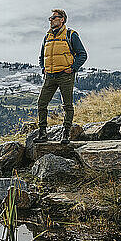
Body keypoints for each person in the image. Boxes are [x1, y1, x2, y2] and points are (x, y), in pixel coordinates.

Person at [34, 9, 87, 144]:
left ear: (62, 19)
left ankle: (66, 133)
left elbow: (82, 54)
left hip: (65, 75)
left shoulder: (71, 35)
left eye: (53, 18)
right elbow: (42, 56)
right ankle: (42, 133)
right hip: (50, 76)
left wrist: (73, 68)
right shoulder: (47, 37)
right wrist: (43, 68)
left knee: (67, 105)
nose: (51, 20)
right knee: (41, 103)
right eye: (50, 18)